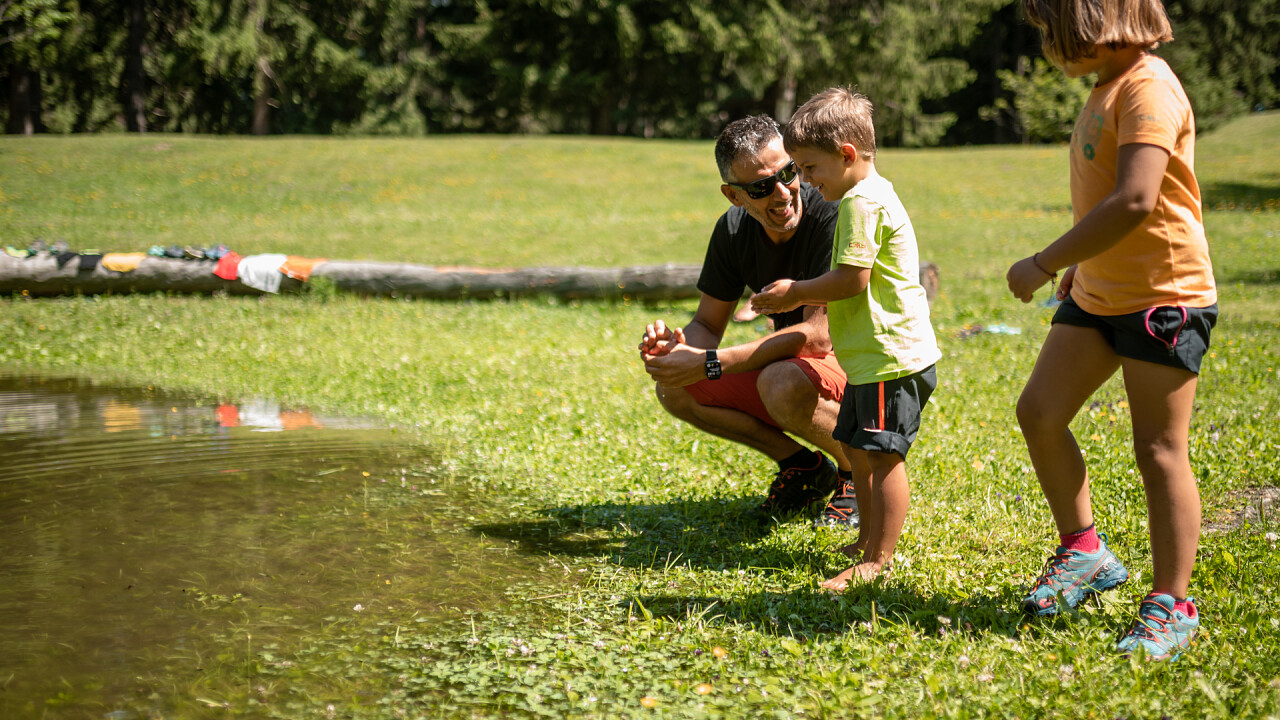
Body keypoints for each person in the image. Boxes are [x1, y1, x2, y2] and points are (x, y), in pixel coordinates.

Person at [1006, 0, 1217, 662]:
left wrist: (1046, 262)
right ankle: (1085, 552)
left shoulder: (1149, 86)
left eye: (1051, 30)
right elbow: (1105, 196)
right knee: (1040, 412)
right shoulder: (1107, 85)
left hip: (1164, 298)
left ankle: (1172, 604)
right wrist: (1081, 269)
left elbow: (1135, 198)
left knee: (1158, 448)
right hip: (1099, 294)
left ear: (1089, 24)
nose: (1047, 45)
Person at [750, 87, 940, 587]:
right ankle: (866, 541)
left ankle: (878, 560)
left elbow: (852, 279)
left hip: (890, 359)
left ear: (847, 155)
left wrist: (795, 294)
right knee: (859, 452)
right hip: (870, 360)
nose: (805, 182)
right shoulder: (869, 194)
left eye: (810, 168)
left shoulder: (861, 203)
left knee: (882, 458)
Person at [639, 115, 859, 527]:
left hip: (859, 369)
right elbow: (708, 321)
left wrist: (710, 362)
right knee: (675, 387)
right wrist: (680, 349)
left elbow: (816, 338)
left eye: (789, 172)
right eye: (760, 187)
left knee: (781, 381)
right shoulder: (734, 230)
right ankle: (804, 469)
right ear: (733, 196)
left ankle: (856, 472)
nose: (783, 192)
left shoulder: (831, 213)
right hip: (794, 369)